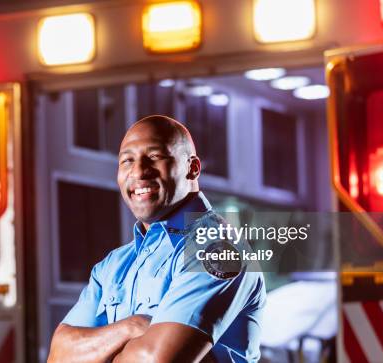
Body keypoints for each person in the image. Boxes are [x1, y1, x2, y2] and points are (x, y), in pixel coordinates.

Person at [48, 115, 266, 363]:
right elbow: (60, 356)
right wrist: (132, 326)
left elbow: (159, 360)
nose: (139, 171)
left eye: (155, 156)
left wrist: (104, 352)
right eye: (127, 160)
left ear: (192, 167)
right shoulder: (113, 265)